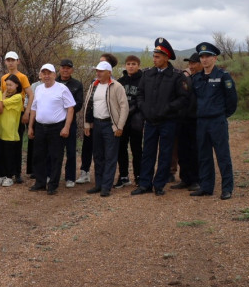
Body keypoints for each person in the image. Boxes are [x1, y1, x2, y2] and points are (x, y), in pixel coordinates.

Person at [132, 38, 190, 197]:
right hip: (150, 121)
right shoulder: (147, 74)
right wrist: (144, 108)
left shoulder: (177, 76)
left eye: (158, 57)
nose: (154, 59)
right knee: (148, 153)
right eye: (154, 56)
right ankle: (145, 184)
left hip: (168, 121)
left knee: (165, 154)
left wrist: (168, 109)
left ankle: (159, 184)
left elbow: (184, 98)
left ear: (166, 57)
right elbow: (140, 94)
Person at [190, 42, 238, 200]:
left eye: (208, 56)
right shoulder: (196, 78)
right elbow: (194, 101)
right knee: (204, 156)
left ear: (215, 58)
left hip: (217, 121)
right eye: (202, 57)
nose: (204, 59)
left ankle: (227, 188)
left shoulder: (223, 76)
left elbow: (232, 100)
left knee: (223, 155)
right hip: (201, 122)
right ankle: (206, 187)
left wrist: (223, 115)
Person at [81, 61, 129, 197]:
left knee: (110, 156)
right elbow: (88, 105)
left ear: (109, 72)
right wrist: (87, 124)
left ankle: (106, 186)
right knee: (98, 155)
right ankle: (99, 184)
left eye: (101, 71)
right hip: (96, 124)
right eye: (97, 71)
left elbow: (124, 107)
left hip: (110, 125)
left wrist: (120, 126)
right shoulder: (94, 86)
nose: (98, 73)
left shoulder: (116, 86)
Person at [28, 64, 76, 195]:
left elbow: (70, 108)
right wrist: (31, 126)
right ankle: (40, 182)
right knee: (38, 156)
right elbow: (34, 108)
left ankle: (53, 185)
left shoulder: (62, 88)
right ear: (40, 75)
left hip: (56, 127)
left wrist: (66, 127)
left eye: (49, 73)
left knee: (56, 156)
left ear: (54, 75)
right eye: (44, 73)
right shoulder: (38, 89)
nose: (46, 76)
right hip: (40, 126)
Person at [2, 51, 33, 183]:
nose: (10, 63)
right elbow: (2, 95)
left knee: (17, 143)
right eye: (8, 60)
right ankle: (6, 171)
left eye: (12, 60)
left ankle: (17, 173)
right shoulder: (4, 77)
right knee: (6, 143)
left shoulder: (22, 77)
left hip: (19, 113)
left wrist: (26, 112)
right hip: (6, 113)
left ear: (18, 61)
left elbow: (31, 95)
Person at [172, 53, 202, 191]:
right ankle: (185, 178)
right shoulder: (186, 79)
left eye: (194, 63)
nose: (191, 66)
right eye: (189, 63)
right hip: (182, 118)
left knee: (195, 150)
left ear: (201, 63)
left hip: (196, 120)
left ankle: (196, 179)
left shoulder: (203, 79)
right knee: (182, 150)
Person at [56, 59, 84, 188]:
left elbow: (78, 104)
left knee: (71, 151)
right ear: (59, 69)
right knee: (54, 151)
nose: (65, 70)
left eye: (68, 68)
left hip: (70, 121)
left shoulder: (77, 84)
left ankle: (70, 177)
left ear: (72, 70)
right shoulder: (53, 82)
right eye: (63, 67)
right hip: (55, 121)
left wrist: (67, 109)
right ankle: (53, 176)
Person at [117, 55, 144, 187]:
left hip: (136, 120)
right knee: (121, 148)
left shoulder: (143, 80)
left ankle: (139, 175)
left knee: (136, 148)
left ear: (138, 65)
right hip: (122, 120)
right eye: (128, 64)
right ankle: (123, 176)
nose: (131, 66)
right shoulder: (120, 81)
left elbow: (142, 100)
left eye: (134, 64)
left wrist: (129, 110)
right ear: (125, 65)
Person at [0, 74, 23, 187]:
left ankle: (9, 176)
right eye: (6, 85)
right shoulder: (5, 96)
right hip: (0, 131)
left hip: (10, 132)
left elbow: (1, 103)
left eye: (11, 85)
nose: (8, 87)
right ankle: (1, 175)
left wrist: (2, 96)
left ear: (17, 85)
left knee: (9, 155)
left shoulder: (18, 97)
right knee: (1, 154)